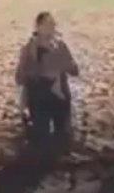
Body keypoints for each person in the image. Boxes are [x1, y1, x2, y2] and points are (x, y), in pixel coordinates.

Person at [15, 12, 79, 144]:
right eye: (47, 25)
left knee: (62, 137)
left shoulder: (60, 46)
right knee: (40, 137)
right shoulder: (29, 50)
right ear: (38, 28)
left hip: (59, 97)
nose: (51, 28)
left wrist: (63, 64)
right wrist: (35, 72)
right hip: (39, 98)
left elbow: (75, 70)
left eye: (53, 25)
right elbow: (19, 78)